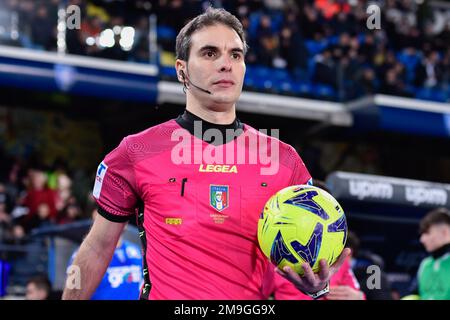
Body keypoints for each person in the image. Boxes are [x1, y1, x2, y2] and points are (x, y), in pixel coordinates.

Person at [63, 7, 349, 300]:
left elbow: (306, 262)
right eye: (210, 53)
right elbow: (98, 247)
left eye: (235, 55)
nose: (225, 64)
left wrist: (318, 290)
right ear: (181, 70)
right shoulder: (136, 152)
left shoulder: (285, 162)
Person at [68, 210, 143, 300]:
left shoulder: (136, 251)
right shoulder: (81, 255)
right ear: (96, 217)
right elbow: (72, 292)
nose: (120, 216)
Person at [412, 207, 450, 300]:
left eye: (427, 233)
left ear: (445, 233)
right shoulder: (425, 265)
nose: (422, 239)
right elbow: (415, 294)